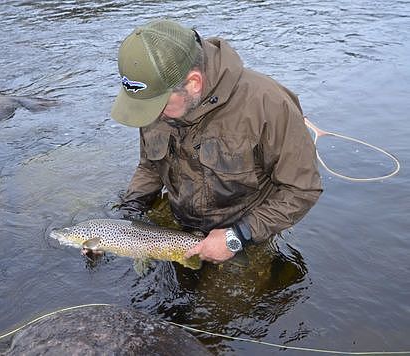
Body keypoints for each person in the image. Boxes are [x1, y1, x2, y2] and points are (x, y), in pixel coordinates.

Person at [110, 19, 322, 265]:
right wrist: (127, 214)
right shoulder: (155, 101)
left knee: (214, 305)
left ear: (193, 83)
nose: (152, 116)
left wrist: (238, 236)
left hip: (249, 233)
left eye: (158, 106)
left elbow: (302, 190)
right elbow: (150, 166)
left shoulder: (269, 105)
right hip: (182, 228)